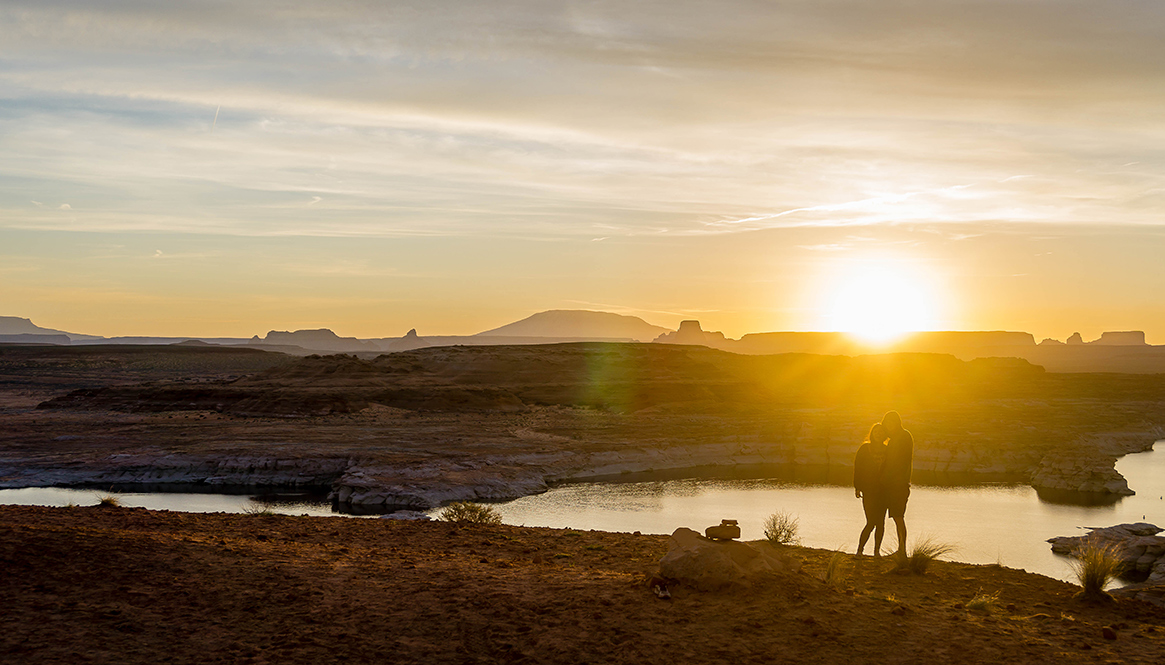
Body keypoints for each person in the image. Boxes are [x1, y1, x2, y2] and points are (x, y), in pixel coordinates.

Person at [880, 410, 914, 560]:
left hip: (898, 483)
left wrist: (896, 478)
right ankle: (901, 550)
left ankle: (902, 551)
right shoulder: (894, 439)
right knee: (896, 516)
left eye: (892, 422)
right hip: (892, 483)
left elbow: (902, 461)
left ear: (897, 422)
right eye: (887, 422)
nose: (890, 425)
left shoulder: (904, 436)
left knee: (898, 516)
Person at [853, 422, 889, 557]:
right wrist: (857, 487)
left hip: (884, 491)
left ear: (885, 435)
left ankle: (876, 552)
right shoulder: (864, 448)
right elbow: (858, 468)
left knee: (881, 523)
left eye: (881, 432)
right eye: (876, 432)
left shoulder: (888, 450)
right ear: (872, 433)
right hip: (869, 490)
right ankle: (859, 550)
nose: (878, 434)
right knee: (871, 522)